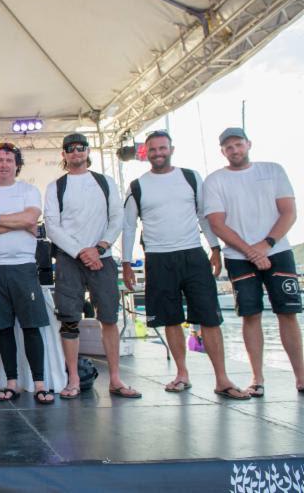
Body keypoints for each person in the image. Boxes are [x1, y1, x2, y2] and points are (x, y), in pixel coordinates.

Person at [122, 130, 248, 400]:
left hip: (193, 254)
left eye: (162, 148)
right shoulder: (137, 185)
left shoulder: (190, 177)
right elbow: (129, 226)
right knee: (171, 319)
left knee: (210, 318)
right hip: (158, 257)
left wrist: (214, 248)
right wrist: (125, 262)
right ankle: (181, 374)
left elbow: (204, 215)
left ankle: (222, 379)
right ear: (146, 153)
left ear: (171, 149)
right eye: (153, 149)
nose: (158, 153)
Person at [204, 127, 303, 396]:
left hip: (278, 251)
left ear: (248, 144)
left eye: (238, 145)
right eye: (228, 147)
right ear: (222, 151)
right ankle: (257, 378)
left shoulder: (273, 170)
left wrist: (264, 246)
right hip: (238, 256)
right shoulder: (215, 180)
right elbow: (216, 224)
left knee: (288, 313)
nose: (234, 150)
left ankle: (301, 377)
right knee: (250, 315)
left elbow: (289, 212)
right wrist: (250, 251)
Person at [44, 133, 140, 399]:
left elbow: (117, 218)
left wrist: (98, 248)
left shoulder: (105, 182)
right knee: (69, 320)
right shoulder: (56, 187)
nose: (76, 152)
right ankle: (73, 379)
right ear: (63, 154)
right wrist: (80, 252)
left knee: (108, 318)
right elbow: (52, 225)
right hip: (68, 260)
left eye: (80, 148)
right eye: (70, 149)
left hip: (103, 258)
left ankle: (116, 379)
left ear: (87, 151)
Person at [0, 142, 53, 404]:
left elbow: (31, 219)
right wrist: (18, 222)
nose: (4, 164)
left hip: (24, 266)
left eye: (9, 160)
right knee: (4, 327)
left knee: (31, 326)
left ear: (17, 164)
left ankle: (40, 384)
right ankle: (11, 383)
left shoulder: (29, 190)